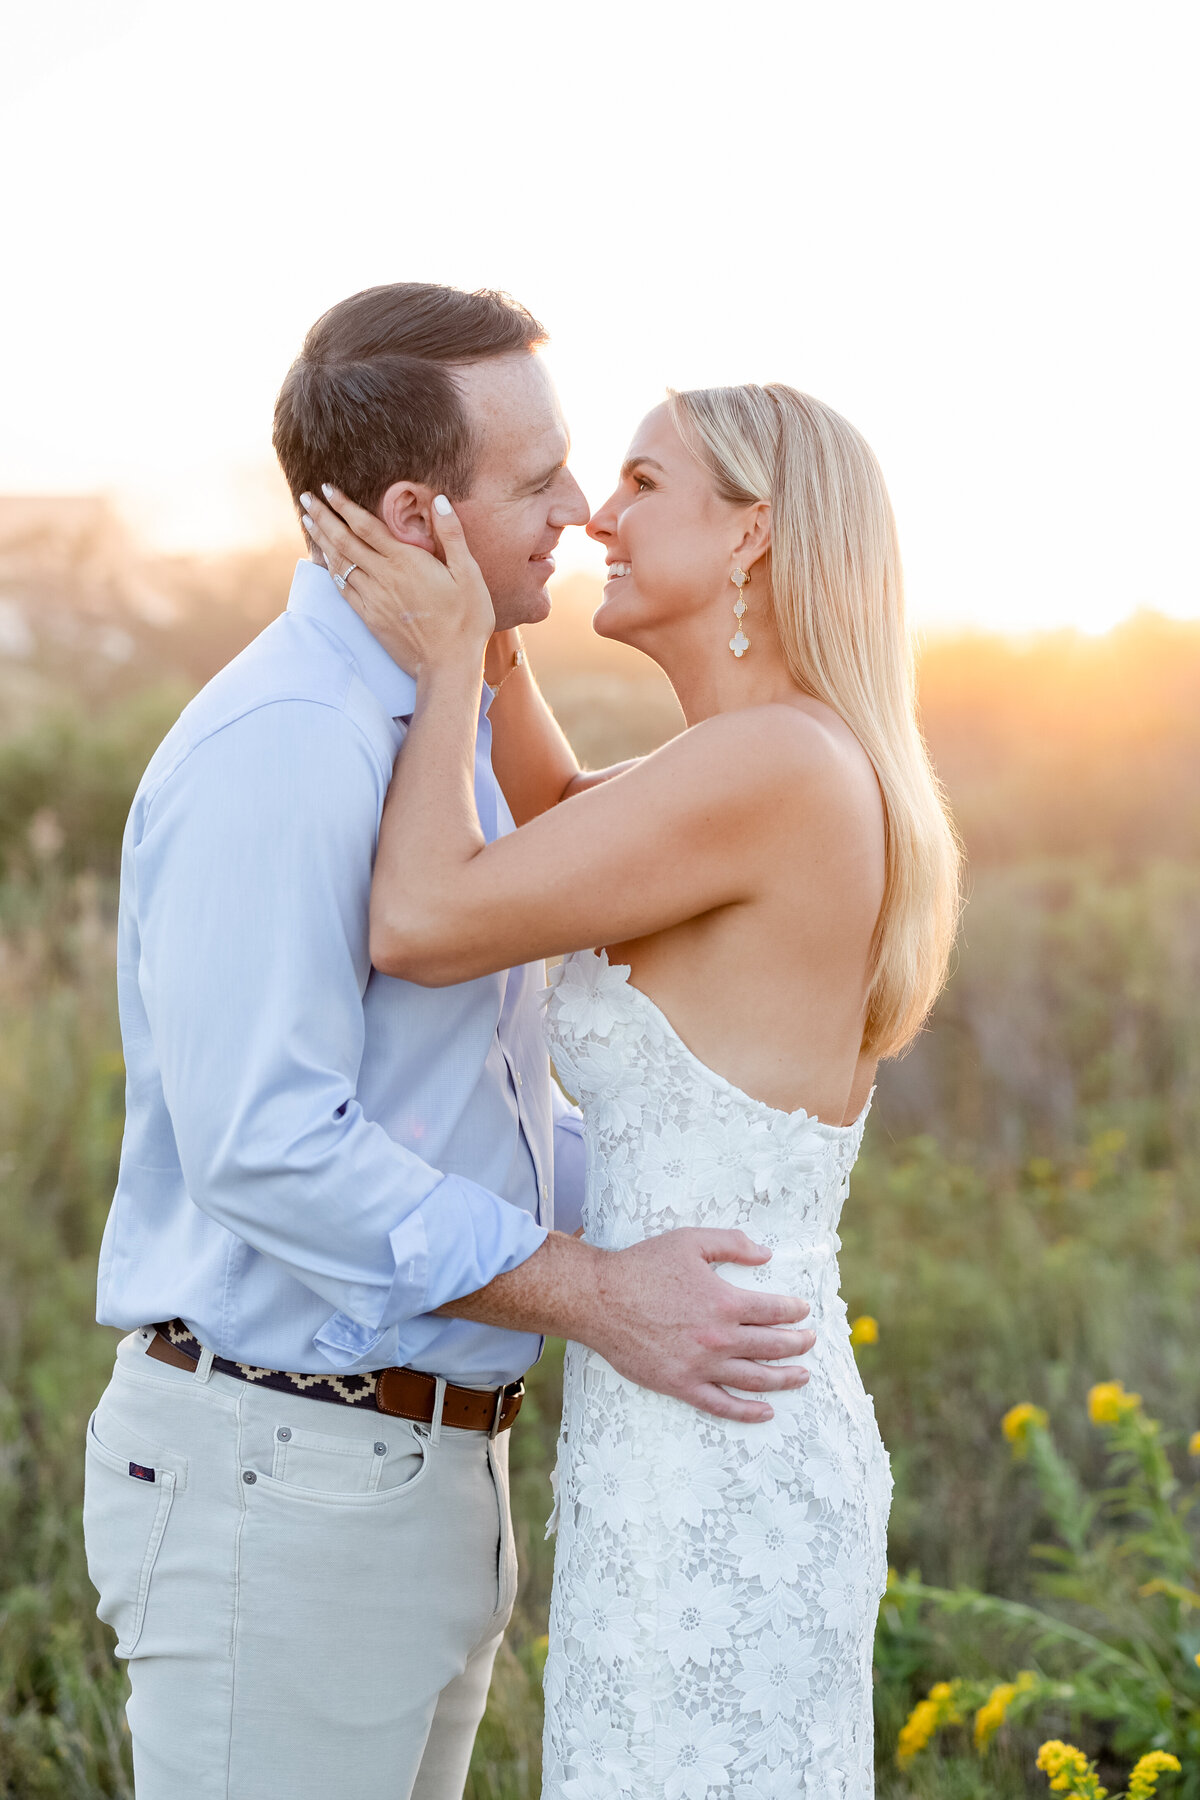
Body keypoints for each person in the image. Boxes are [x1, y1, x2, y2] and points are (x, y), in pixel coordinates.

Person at [81, 284, 816, 1800]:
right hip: (277, 1482)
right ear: (419, 515)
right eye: (536, 477)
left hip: (415, 1482)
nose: (578, 511)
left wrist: (708, 1190)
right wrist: (593, 1291)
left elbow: (461, 1106)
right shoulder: (286, 748)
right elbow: (269, 1148)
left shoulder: (445, 731)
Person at [298, 378, 961, 1796]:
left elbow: (422, 915)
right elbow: (555, 822)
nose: (600, 511)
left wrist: (460, 639)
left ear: (752, 537)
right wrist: (487, 612)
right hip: (686, 1399)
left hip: (717, 1424)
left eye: (646, 484)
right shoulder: (752, 763)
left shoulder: (775, 767)